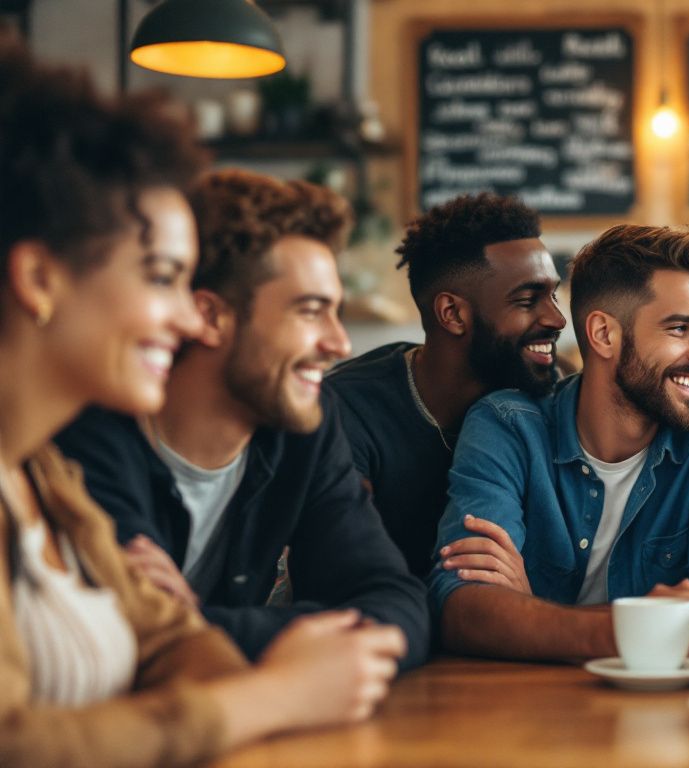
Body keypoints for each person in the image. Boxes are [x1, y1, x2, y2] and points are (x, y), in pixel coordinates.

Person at [0, 39, 403, 767]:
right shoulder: (75, 452)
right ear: (39, 278)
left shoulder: (46, 485)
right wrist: (277, 695)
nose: (186, 318)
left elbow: (174, 642)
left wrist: (242, 674)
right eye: (161, 278)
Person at [55, 169, 429, 667]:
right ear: (210, 317)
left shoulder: (306, 427)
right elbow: (126, 639)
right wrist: (304, 640)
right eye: (311, 311)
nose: (339, 344)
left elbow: (399, 607)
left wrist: (198, 623)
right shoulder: (92, 434)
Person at [430, 224, 689, 661]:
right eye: (680, 328)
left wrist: (530, 614)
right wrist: (629, 629)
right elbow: (463, 607)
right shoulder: (508, 427)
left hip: (667, 703)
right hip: (521, 709)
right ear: (604, 334)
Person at [327, 193, 565, 574]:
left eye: (552, 295)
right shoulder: (347, 410)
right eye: (527, 300)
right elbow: (347, 569)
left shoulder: (553, 394)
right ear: (452, 314)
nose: (557, 318)